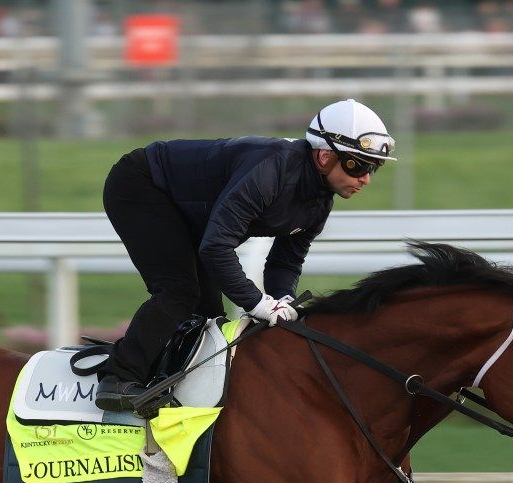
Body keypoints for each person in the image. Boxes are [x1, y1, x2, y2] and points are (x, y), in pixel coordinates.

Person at [95, 99, 395, 412]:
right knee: (180, 291)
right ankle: (118, 378)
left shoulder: (319, 204)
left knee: (209, 314)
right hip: (141, 185)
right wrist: (256, 302)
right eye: (357, 165)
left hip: (186, 211)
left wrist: (283, 302)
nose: (365, 178)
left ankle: (170, 384)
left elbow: (285, 263)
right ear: (324, 156)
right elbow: (215, 247)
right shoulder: (271, 172)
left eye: (372, 167)